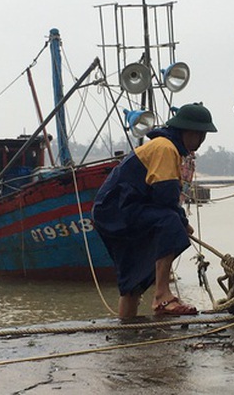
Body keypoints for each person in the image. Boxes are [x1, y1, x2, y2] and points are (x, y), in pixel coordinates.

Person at [91, 103, 217, 319]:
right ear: (192, 132)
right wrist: (183, 222)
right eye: (202, 135)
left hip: (112, 213)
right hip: (118, 211)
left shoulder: (164, 147)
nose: (201, 141)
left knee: (133, 281)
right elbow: (166, 197)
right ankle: (162, 295)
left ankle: (127, 326)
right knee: (169, 222)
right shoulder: (165, 148)